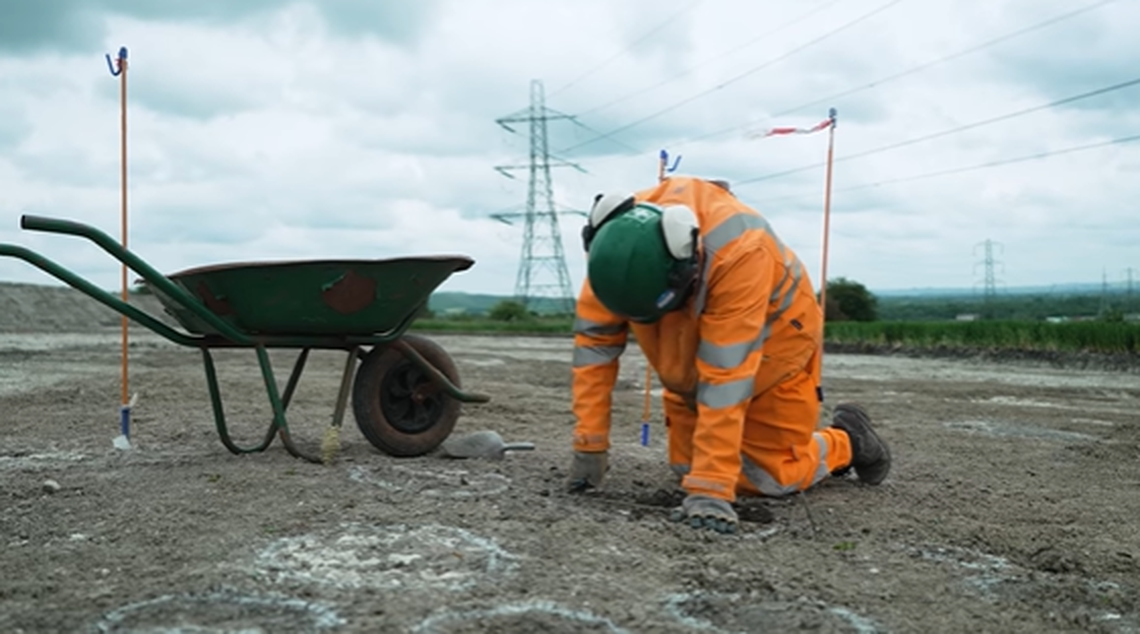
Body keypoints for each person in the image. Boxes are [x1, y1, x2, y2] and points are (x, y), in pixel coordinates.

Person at [566, 175, 891, 534]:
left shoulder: (741, 253)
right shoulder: (616, 248)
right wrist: (589, 445)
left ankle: (847, 440)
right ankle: (709, 462)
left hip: (776, 345)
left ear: (687, 265)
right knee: (685, 469)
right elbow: (595, 347)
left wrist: (710, 488)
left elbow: (725, 375)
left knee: (766, 478)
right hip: (688, 349)